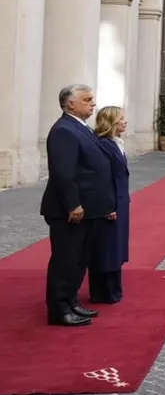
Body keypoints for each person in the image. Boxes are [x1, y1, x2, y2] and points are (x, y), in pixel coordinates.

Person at [40, 85, 117, 327]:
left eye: (92, 99)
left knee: (79, 259)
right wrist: (73, 204)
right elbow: (63, 173)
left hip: (89, 209)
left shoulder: (81, 127)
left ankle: (71, 302)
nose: (92, 103)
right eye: (87, 100)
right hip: (71, 211)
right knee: (65, 260)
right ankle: (59, 309)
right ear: (70, 104)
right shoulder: (64, 130)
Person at [89, 106, 130, 304]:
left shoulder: (116, 142)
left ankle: (114, 287)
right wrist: (107, 206)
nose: (125, 121)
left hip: (120, 201)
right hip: (110, 202)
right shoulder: (103, 144)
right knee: (106, 247)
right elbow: (103, 178)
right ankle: (103, 291)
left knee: (116, 245)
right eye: (122, 118)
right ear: (112, 121)